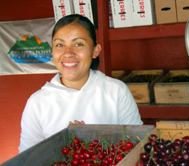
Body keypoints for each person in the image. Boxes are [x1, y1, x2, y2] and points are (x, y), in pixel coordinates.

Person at [18, 14, 143, 153]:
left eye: (78, 44)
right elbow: (28, 157)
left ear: (95, 51)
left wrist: (92, 143)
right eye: (60, 45)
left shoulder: (116, 91)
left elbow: (135, 145)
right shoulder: (37, 103)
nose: (68, 53)